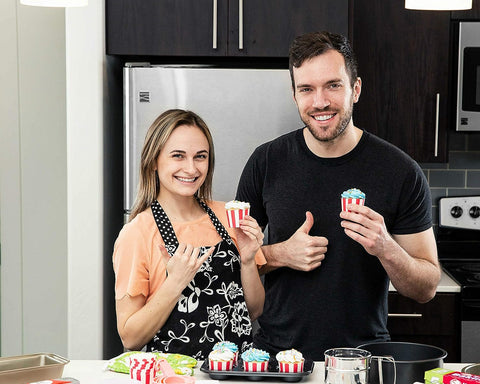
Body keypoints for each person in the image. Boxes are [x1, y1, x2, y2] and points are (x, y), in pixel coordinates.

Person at [236, 31, 441, 361]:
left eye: (333, 85)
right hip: (276, 356)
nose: (319, 102)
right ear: (294, 95)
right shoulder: (266, 162)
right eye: (306, 89)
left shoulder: (400, 171)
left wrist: (386, 247)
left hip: (362, 360)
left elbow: (426, 287)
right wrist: (278, 254)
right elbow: (232, 259)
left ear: (355, 89)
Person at [113, 109, 265, 360]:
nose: (191, 168)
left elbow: (253, 311)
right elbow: (130, 338)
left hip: (235, 375)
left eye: (200, 157)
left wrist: (248, 261)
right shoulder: (137, 233)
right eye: (178, 156)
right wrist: (175, 283)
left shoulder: (229, 216)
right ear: (154, 161)